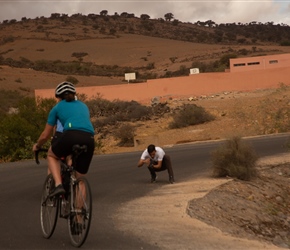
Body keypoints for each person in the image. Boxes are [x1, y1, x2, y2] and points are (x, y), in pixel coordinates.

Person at [32, 81, 95, 197]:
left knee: (51, 155)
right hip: (89, 138)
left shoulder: (57, 108)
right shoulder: (83, 105)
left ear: (58, 97)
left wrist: (38, 145)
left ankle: (58, 185)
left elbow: (45, 135)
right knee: (80, 179)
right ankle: (79, 214)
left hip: (70, 135)